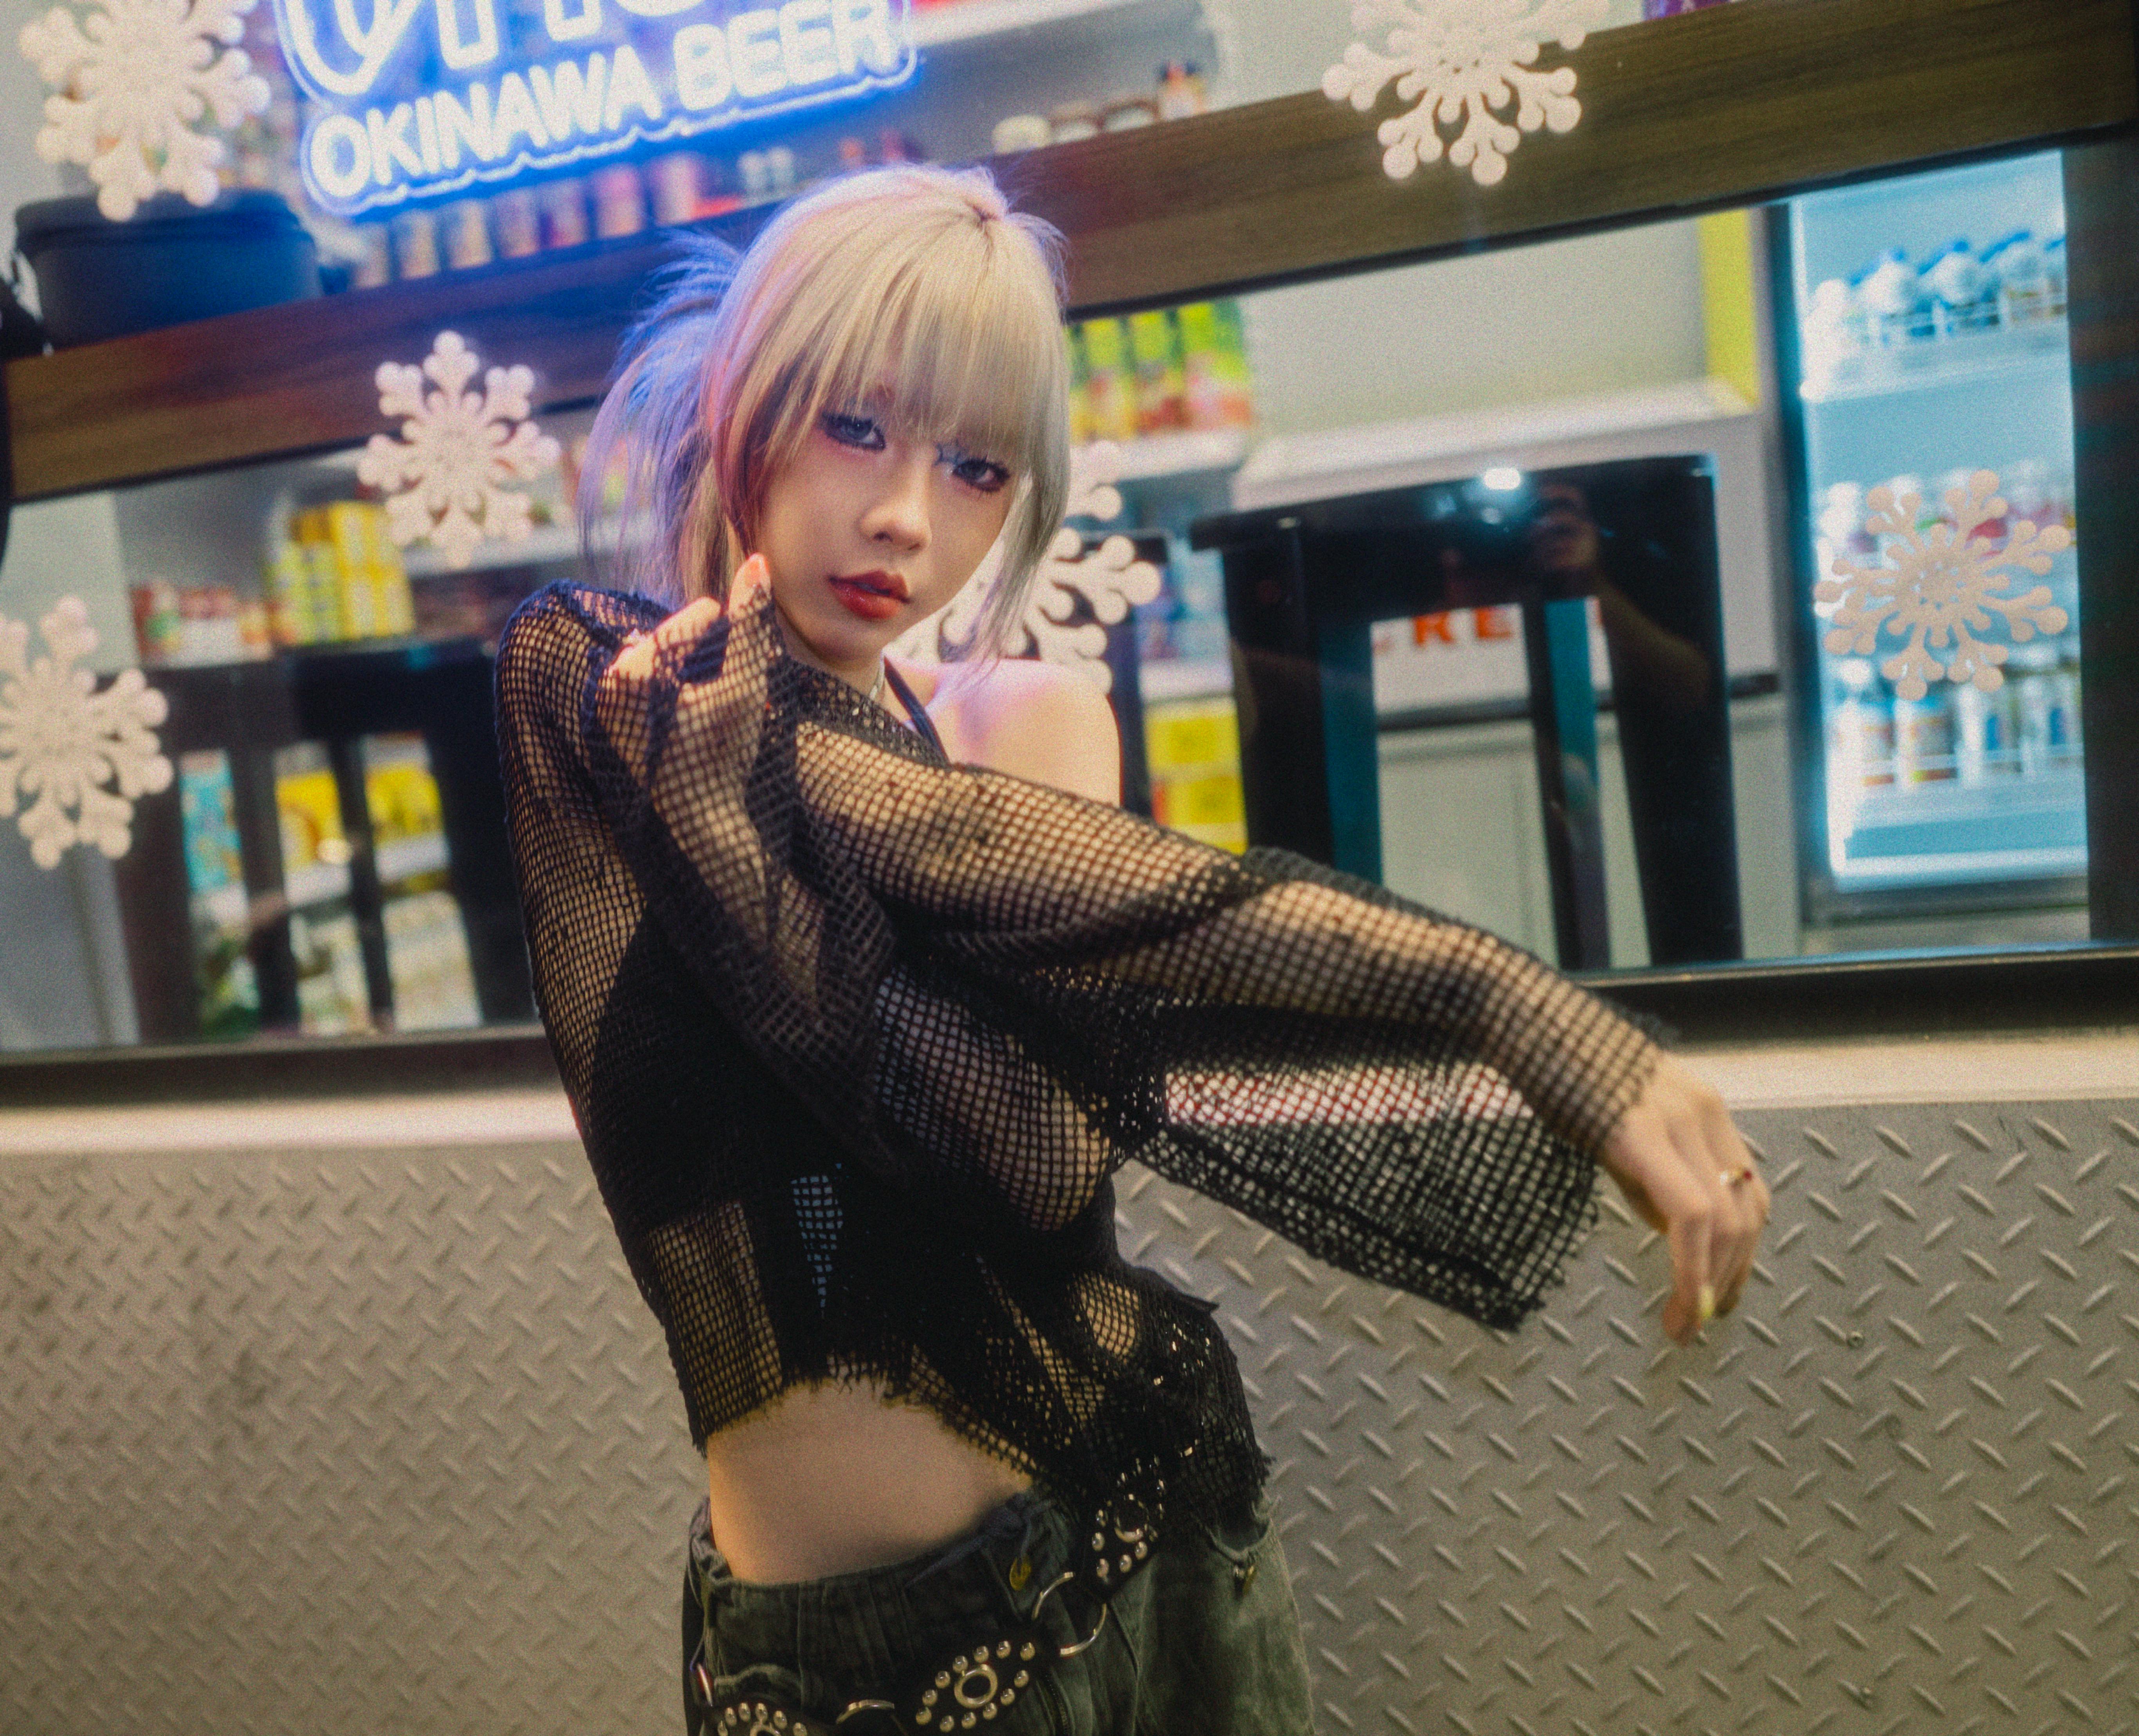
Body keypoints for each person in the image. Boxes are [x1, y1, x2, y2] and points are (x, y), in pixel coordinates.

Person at [493, 163, 1770, 1736]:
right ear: (747, 401)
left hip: (1144, 1516)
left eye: (975, 465)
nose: (909, 515)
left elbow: (1028, 1163)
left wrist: (1512, 1005)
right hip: (850, 1668)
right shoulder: (590, 688)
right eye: (857, 426)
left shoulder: (1008, 724)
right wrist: (1485, 995)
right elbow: (879, 937)